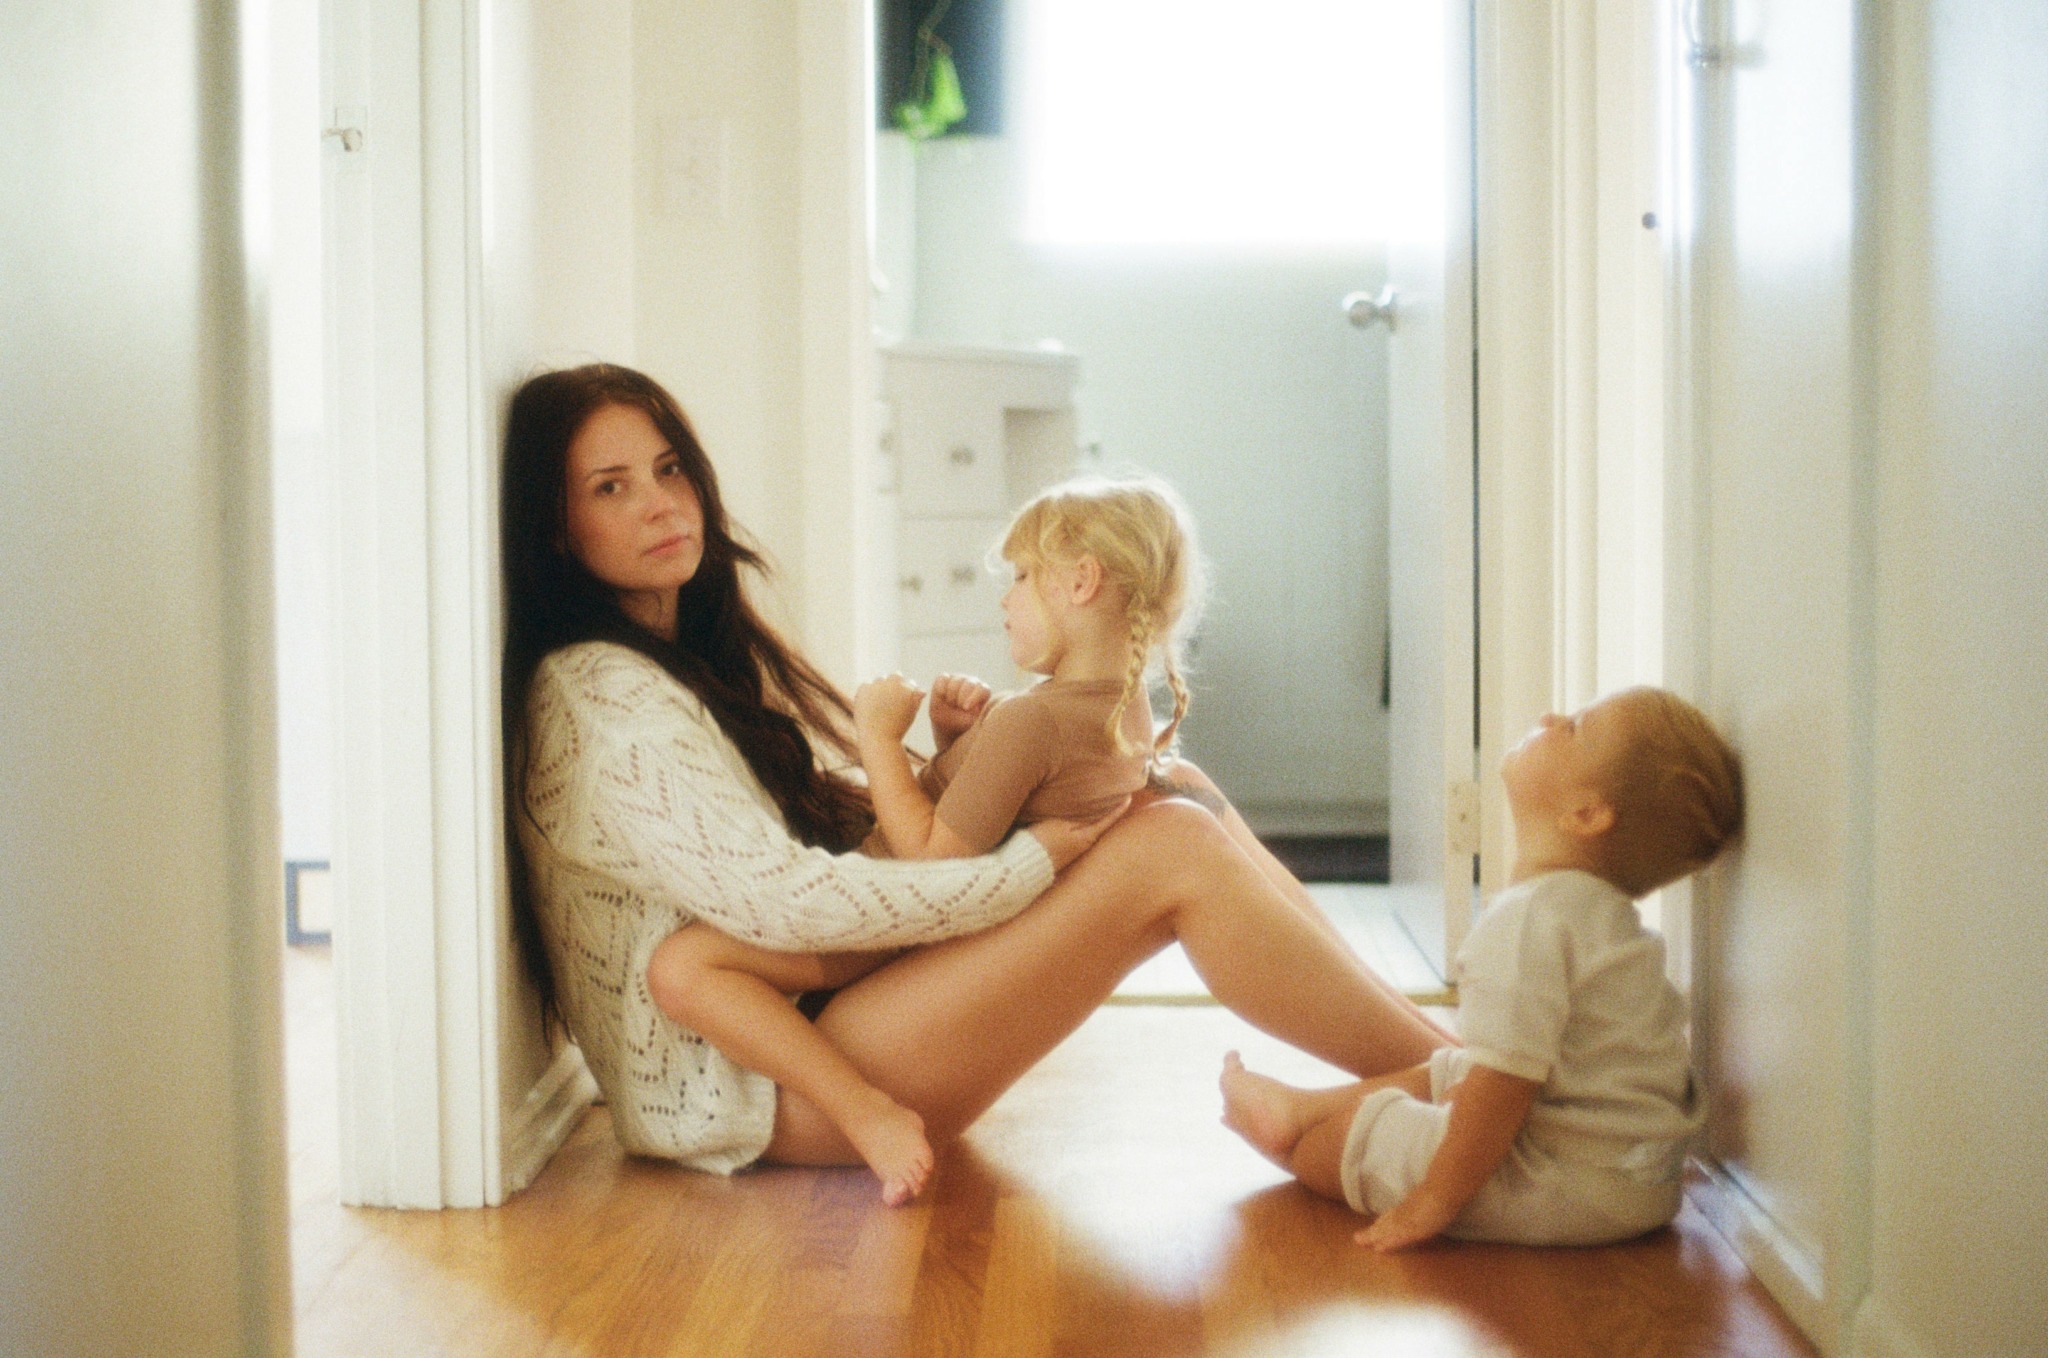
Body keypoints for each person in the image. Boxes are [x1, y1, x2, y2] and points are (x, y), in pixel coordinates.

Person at [501, 362, 1456, 1205]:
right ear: (556, 528)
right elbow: (784, 904)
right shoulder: (602, 697)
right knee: (1172, 844)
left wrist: (951, 765)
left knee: (1175, 790)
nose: (661, 503)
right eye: (612, 487)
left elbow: (794, 848)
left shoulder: (671, 661)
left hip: (806, 1020)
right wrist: (1027, 861)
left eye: (669, 469)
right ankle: (1469, 1085)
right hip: (763, 1088)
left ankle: (1450, 1070)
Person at [647, 475, 1203, 1202]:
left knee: (681, 966)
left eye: (1022, 577)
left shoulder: (1033, 720)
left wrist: (878, 736)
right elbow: (986, 831)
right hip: (921, 937)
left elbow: (930, 866)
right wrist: (956, 746)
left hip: (878, 928)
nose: (1006, 599)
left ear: (1081, 582)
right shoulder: (1122, 717)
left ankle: (864, 1112)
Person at [1219, 686, 1742, 1250]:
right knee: (1456, 1067)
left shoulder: (1530, 920)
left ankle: (1292, 1139)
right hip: (1642, 1188)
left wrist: (1431, 1200)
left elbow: (1504, 1087)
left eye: (1573, 727)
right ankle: (1303, 1107)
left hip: (1558, 1185)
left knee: (1364, 1137)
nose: (1550, 716)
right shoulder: (1609, 923)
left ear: (1586, 814)